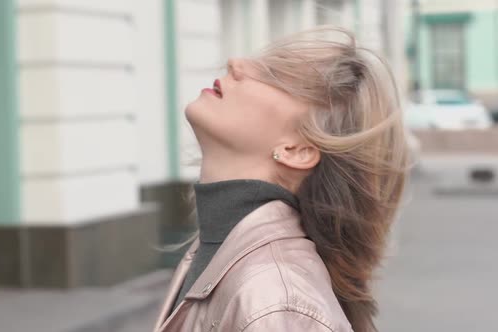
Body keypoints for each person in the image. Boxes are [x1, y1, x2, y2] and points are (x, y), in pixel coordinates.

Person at [152, 26, 409, 332]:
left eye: (276, 76)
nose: (235, 62)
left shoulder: (276, 303)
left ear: (297, 150)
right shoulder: (223, 248)